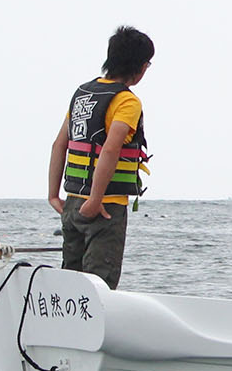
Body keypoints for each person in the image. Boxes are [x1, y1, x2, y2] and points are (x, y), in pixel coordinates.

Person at [47, 25, 155, 289]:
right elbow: (110, 149)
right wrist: (95, 201)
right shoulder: (127, 102)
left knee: (70, 286)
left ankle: (63, 330)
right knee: (98, 288)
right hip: (104, 207)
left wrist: (53, 194)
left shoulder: (83, 95)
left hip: (72, 203)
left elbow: (60, 144)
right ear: (140, 67)